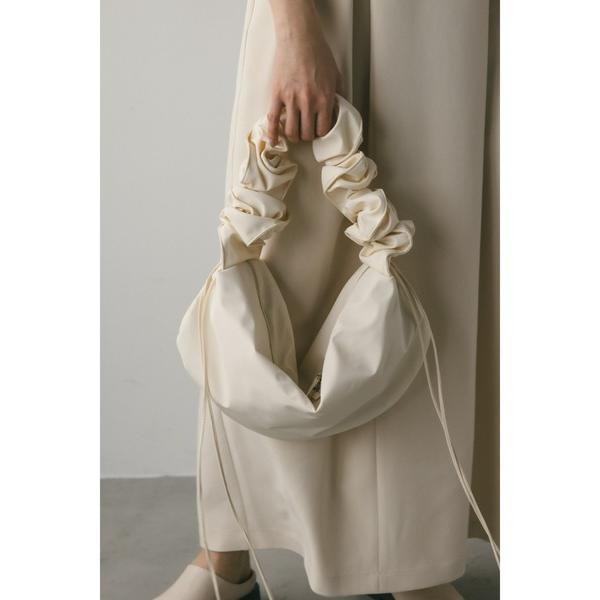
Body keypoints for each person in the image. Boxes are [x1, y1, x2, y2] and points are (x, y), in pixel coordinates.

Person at [156, 1, 499, 599]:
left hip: (456, 27)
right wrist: (295, 31)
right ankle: (227, 551)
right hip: (326, 14)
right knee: (277, 277)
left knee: (435, 269)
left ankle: (412, 565)